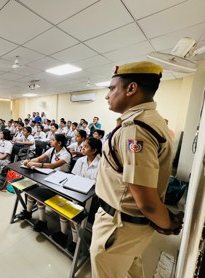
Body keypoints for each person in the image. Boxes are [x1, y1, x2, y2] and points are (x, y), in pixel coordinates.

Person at [90, 61, 184, 278]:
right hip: (130, 227)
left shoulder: (135, 130)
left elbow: (148, 203)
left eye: (112, 88)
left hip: (118, 226)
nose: (107, 95)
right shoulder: (152, 120)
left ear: (131, 88)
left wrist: (167, 223)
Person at [52, 137, 102, 253]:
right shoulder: (81, 160)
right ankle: (63, 234)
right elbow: (74, 177)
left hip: (92, 198)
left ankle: (75, 242)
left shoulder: (101, 164)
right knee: (62, 205)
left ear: (94, 150)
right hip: (77, 193)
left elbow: (98, 186)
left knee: (74, 212)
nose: (82, 148)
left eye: (85, 146)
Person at [18, 134, 72, 232]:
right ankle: (28, 212)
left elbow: (53, 165)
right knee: (31, 192)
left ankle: (42, 222)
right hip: (50, 177)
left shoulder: (66, 154)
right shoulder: (52, 150)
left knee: (39, 197)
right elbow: (39, 158)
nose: (50, 141)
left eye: (53, 140)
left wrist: (36, 164)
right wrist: (29, 161)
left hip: (61, 182)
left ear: (59, 143)